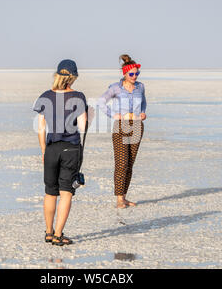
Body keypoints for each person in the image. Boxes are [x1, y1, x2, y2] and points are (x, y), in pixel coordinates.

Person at [32, 59, 88, 246]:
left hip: (51, 149)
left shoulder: (45, 96)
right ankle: (58, 234)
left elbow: (41, 127)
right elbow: (82, 126)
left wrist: (43, 151)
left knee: (50, 192)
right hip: (71, 148)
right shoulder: (78, 97)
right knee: (66, 193)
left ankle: (48, 232)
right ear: (73, 77)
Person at [98, 54, 147, 209]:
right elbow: (101, 102)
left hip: (137, 125)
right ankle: (119, 199)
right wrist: (113, 115)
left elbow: (144, 102)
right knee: (121, 163)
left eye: (136, 73)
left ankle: (124, 197)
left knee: (130, 164)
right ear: (124, 74)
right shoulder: (115, 87)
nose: (134, 76)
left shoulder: (141, 87)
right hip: (121, 125)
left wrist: (143, 112)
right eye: (131, 74)